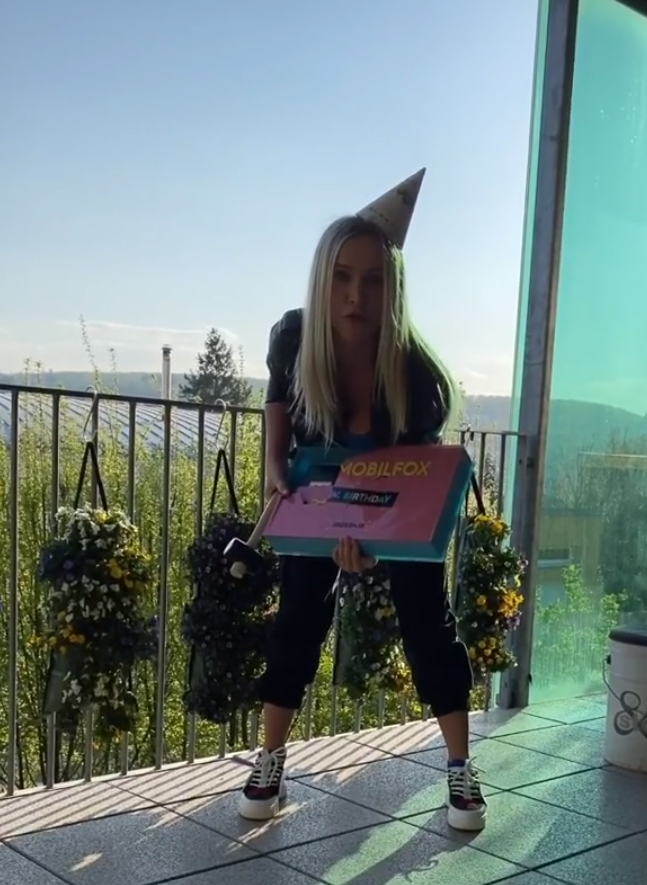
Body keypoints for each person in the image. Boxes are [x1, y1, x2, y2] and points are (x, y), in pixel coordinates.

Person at [237, 168, 486, 832]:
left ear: (392, 288)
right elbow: (277, 413)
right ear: (322, 280)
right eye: (343, 277)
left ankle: (460, 766)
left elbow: (416, 485)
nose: (355, 294)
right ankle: (270, 757)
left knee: (428, 621)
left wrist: (376, 546)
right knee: (297, 620)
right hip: (318, 497)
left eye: (373, 279)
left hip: (397, 507)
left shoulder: (419, 376)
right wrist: (273, 469)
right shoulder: (293, 337)